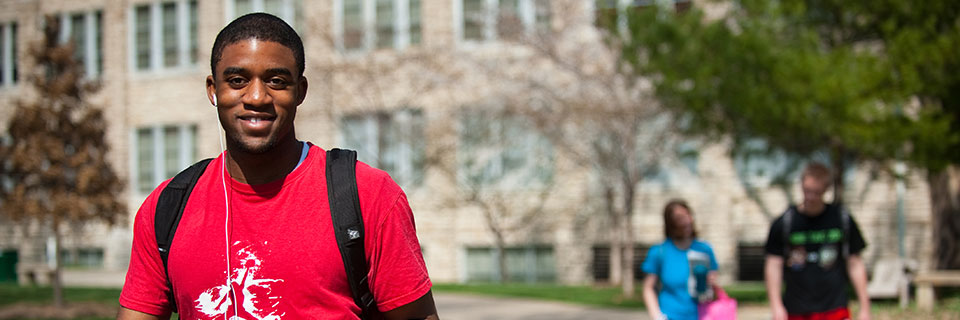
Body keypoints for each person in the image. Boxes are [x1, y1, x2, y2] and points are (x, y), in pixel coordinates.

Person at [117, 13, 438, 320]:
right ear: (213, 90)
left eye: (276, 81)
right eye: (238, 80)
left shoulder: (368, 195)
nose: (257, 97)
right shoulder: (166, 207)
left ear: (300, 91)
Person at [764, 162, 869, 320]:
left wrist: (865, 308)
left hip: (834, 307)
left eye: (816, 192)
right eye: (807, 191)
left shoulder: (841, 219)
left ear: (826, 190)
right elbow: (773, 265)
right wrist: (776, 305)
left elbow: (855, 263)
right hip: (796, 308)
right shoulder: (785, 222)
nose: (811, 197)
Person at [642, 199, 719, 320]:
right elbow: (648, 287)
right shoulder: (660, 252)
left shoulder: (704, 249)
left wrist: (711, 282)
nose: (687, 221)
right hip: (671, 315)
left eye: (688, 215)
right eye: (679, 218)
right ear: (670, 223)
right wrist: (657, 316)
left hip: (701, 315)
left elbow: (713, 291)